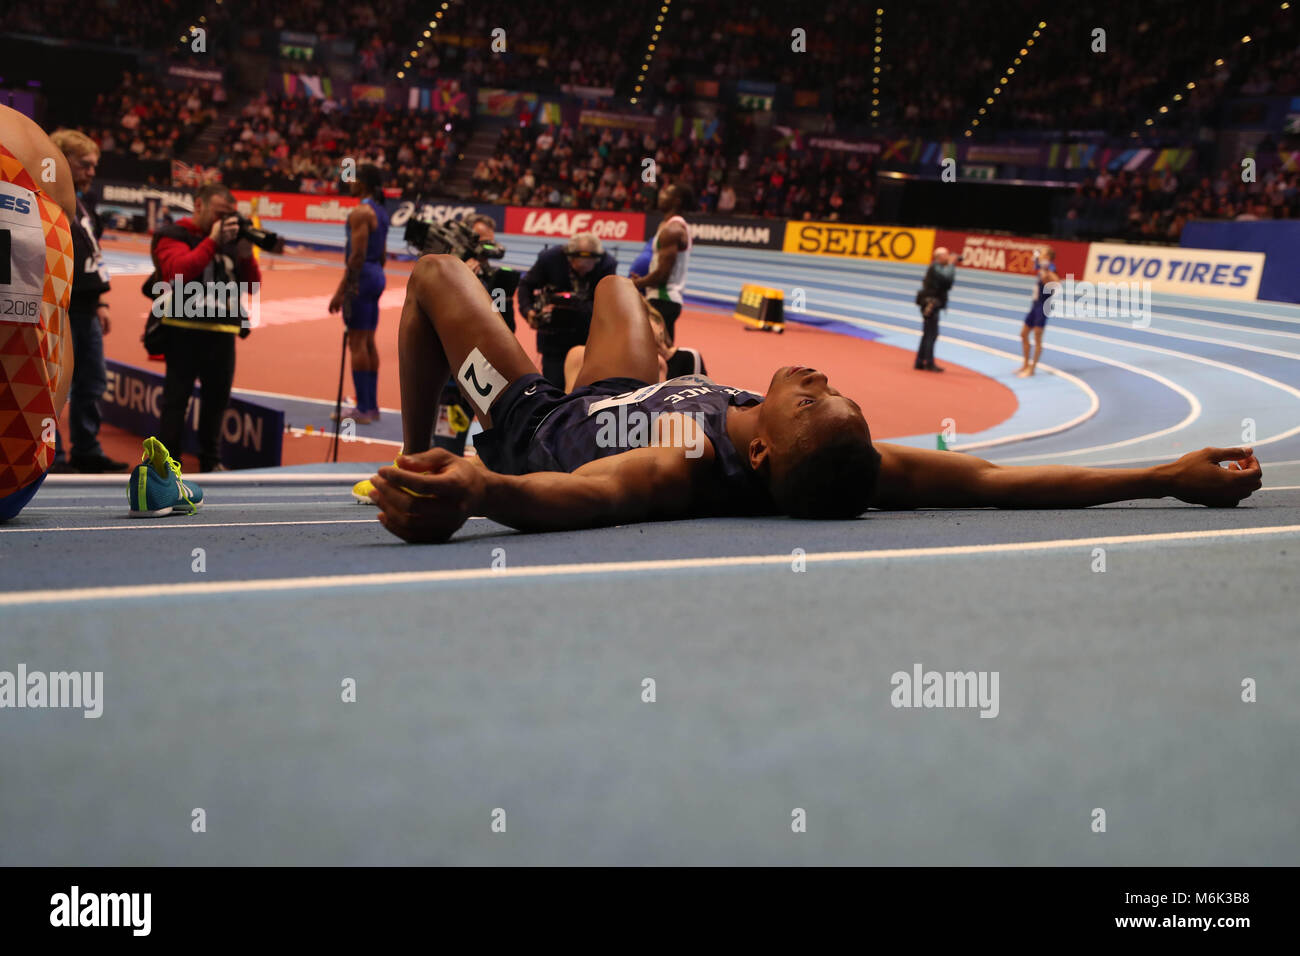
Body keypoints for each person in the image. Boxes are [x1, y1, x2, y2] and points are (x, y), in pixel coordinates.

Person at [365, 257, 1262, 543]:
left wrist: (479, 488)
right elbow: (993, 480)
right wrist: (1166, 473)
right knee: (614, 292)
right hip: (639, 390)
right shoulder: (844, 465)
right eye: (837, 399)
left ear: (758, 454)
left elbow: (588, 494)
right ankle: (625, 317)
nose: (820, 383)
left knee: (440, 276)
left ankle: (408, 452)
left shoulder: (681, 463)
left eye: (809, 400)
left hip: (538, 426)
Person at [151, 183, 261, 472]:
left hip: (222, 333)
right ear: (199, 205)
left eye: (229, 215)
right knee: (176, 400)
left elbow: (253, 285)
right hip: (182, 330)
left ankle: (211, 462)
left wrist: (247, 252)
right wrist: (212, 240)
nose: (222, 221)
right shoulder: (174, 234)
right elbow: (177, 272)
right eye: (218, 213)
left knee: (217, 402)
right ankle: (168, 466)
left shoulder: (230, 241)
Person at [0, 105, 76, 521]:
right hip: (14, 485)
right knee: (51, 320)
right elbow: (61, 325)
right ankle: (35, 450)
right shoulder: (38, 139)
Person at [48, 128, 125, 473]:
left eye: (95, 165)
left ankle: (86, 450)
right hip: (58, 309)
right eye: (85, 164)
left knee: (92, 382)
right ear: (62, 162)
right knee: (54, 385)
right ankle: (53, 454)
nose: (92, 171)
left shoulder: (83, 205)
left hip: (86, 310)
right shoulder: (48, 204)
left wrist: (101, 302)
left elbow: (91, 257)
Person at [430, 214, 519, 455]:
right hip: (449, 383)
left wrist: (500, 295)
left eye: (489, 241)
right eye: (479, 240)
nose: (485, 247)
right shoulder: (443, 273)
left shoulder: (495, 277)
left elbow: (507, 328)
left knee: (492, 449)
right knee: (444, 449)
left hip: (481, 379)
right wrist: (461, 281)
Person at [329, 163, 389, 423]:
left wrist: (341, 291)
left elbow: (356, 256)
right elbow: (383, 253)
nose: (349, 182)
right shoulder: (381, 212)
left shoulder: (360, 213)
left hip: (362, 277)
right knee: (368, 340)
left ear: (363, 183)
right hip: (376, 274)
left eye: (353, 178)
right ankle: (371, 406)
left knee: (356, 343)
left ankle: (363, 409)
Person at [516, 232, 617, 387]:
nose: (582, 272)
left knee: (584, 385)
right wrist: (528, 311)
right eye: (579, 268)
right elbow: (525, 285)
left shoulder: (607, 264)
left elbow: (607, 302)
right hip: (554, 337)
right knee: (553, 384)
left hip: (587, 334)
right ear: (569, 258)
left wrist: (577, 306)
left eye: (587, 269)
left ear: (596, 261)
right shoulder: (550, 259)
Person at [562, 298, 705, 392]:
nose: (636, 330)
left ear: (660, 325)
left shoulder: (688, 357)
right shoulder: (623, 363)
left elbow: (701, 399)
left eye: (641, 322)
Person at [632, 183, 692, 344]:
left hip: (663, 300)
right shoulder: (668, 227)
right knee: (664, 353)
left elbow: (663, 275)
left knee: (651, 353)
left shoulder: (673, 230)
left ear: (677, 201)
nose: (661, 195)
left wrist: (636, 283)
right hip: (663, 299)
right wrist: (644, 281)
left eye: (666, 193)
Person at [915, 247, 957, 372]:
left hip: (931, 303)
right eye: (946, 255)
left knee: (928, 333)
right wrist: (951, 265)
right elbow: (947, 279)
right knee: (931, 334)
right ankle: (928, 362)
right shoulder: (936, 267)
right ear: (939, 257)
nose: (948, 257)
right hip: (931, 304)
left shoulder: (937, 267)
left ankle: (920, 361)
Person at [1017, 247, 1058, 377]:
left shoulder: (1050, 268)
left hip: (1043, 307)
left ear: (1048, 257)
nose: (1040, 255)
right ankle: (1025, 364)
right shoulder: (1041, 266)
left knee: (1037, 338)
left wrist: (1046, 272)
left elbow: (1056, 282)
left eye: (1043, 254)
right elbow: (1034, 260)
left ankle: (1032, 369)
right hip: (1034, 306)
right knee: (1023, 334)